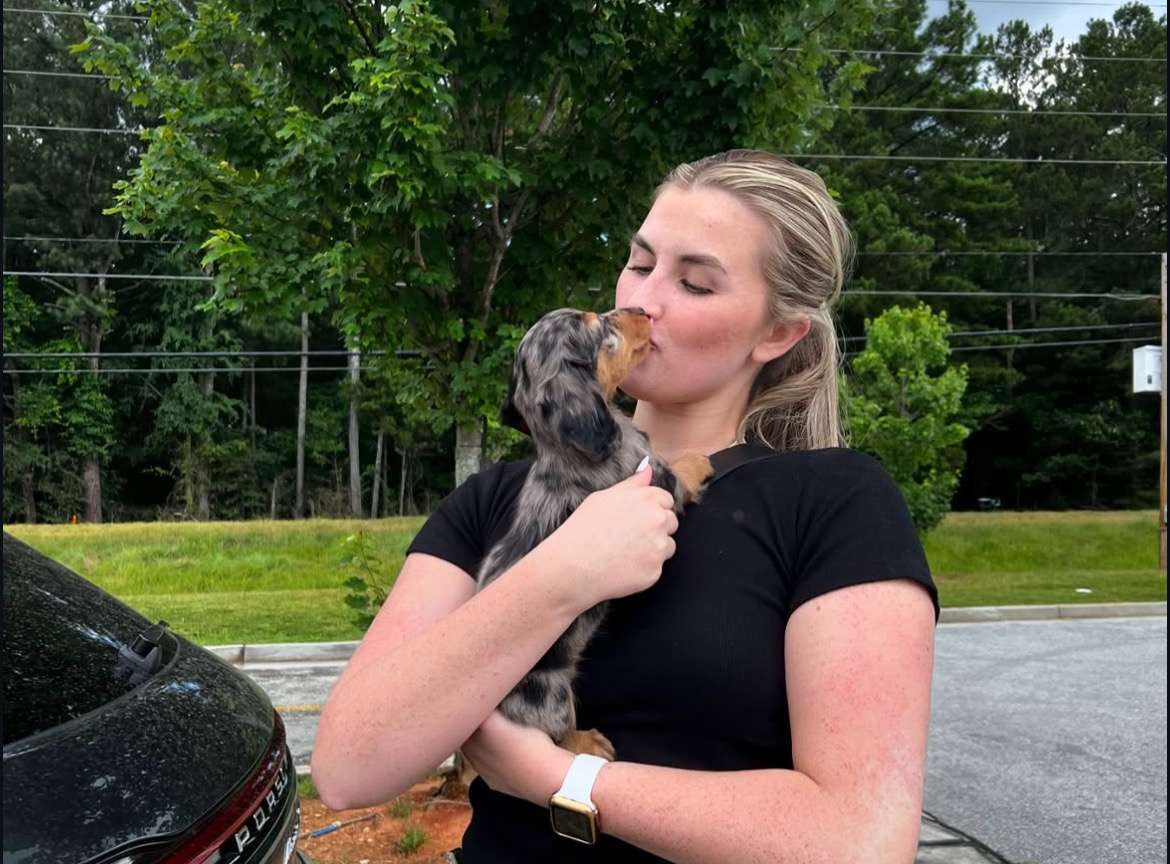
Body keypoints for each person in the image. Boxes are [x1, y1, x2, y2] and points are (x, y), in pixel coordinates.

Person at [311, 149, 940, 863]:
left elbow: (862, 842)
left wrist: (559, 778)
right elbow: (349, 768)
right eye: (640, 263)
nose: (644, 299)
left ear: (777, 334)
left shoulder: (833, 501)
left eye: (695, 283)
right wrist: (560, 575)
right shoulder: (496, 500)